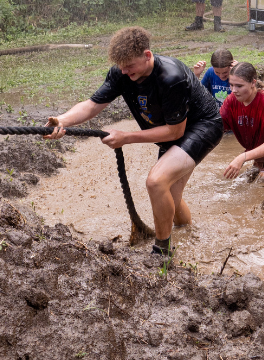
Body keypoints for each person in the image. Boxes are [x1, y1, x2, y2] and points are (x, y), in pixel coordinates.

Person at [44, 26, 223, 256]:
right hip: (172, 128)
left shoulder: (171, 77)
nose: (125, 72)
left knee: (156, 182)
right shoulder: (123, 72)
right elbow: (92, 105)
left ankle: (161, 253)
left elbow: (175, 132)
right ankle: (188, 234)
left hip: (202, 126)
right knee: (171, 197)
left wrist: (126, 137)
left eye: (130, 66)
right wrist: (62, 121)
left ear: (147, 55)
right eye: (121, 67)